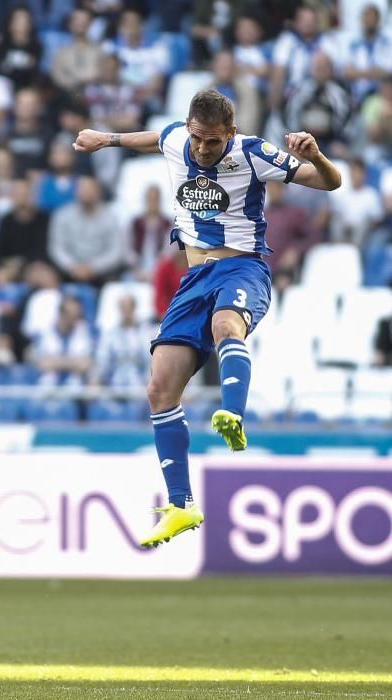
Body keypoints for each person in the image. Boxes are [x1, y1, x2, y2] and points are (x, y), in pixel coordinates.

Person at [73, 88, 341, 548]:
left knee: (225, 326)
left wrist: (316, 155)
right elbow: (155, 137)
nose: (202, 148)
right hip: (194, 278)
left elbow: (329, 183)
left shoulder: (253, 152)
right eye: (197, 138)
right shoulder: (177, 139)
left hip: (242, 267)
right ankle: (181, 505)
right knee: (160, 387)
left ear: (230, 133)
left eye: (213, 141)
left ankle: (232, 414)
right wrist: (107, 139)